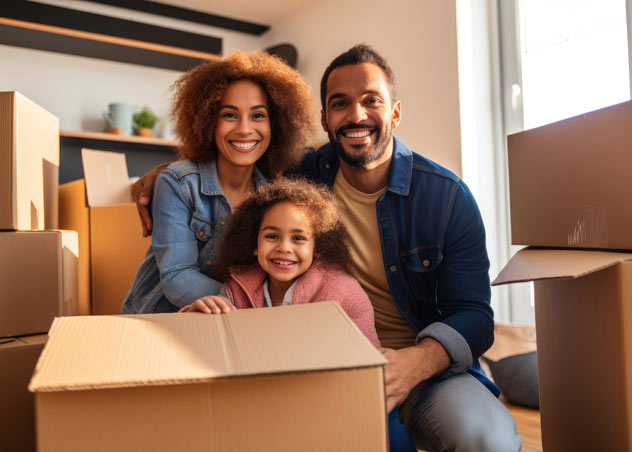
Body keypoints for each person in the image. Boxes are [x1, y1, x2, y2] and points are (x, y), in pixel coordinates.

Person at [133, 44, 522, 451]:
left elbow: (475, 315)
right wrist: (162, 175)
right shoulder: (304, 177)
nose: (356, 115)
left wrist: (417, 361)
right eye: (340, 104)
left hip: (427, 367)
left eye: (371, 101)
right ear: (324, 118)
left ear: (396, 112)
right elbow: (231, 162)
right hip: (323, 358)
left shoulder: (447, 197)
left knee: (489, 441)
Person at [121, 50, 315, 314]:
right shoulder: (177, 184)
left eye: (258, 115)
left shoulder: (272, 195)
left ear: (276, 125)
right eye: (229, 115)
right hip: (163, 318)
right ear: (208, 122)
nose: (245, 129)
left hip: (236, 322)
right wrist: (258, 305)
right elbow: (177, 278)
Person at [180, 177, 380, 347]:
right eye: (272, 236)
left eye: (299, 238)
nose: (284, 248)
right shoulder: (235, 290)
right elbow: (210, 350)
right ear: (254, 243)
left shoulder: (344, 292)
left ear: (317, 248)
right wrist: (196, 317)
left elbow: (369, 360)